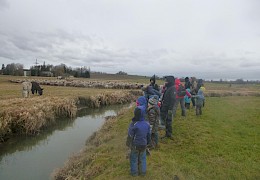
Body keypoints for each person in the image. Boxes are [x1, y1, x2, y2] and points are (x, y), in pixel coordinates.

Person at [127, 97, 150, 176]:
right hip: (144, 144)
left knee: (133, 158)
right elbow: (148, 134)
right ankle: (143, 173)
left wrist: (128, 144)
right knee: (143, 158)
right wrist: (148, 143)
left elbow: (130, 135)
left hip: (135, 145)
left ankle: (134, 173)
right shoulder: (147, 124)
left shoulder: (133, 124)